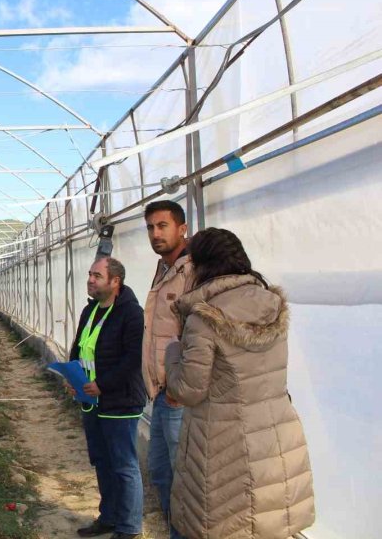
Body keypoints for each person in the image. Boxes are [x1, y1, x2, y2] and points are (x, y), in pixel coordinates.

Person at [165, 228, 315, 539]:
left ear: (200, 266)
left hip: (224, 445)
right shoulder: (273, 305)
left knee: (223, 527)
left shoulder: (203, 318)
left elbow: (188, 390)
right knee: (267, 524)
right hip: (277, 437)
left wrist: (173, 353)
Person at [71, 257, 146, 539]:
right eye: (90, 274)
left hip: (120, 401)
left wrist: (103, 384)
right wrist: (72, 376)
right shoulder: (90, 311)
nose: (90, 279)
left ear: (115, 281)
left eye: (97, 276)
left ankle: (129, 528)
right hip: (91, 399)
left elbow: (132, 359)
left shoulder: (131, 313)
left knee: (124, 464)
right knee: (101, 460)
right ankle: (110, 517)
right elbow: (79, 348)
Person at [141, 200, 193, 539]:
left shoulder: (194, 271)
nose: (155, 233)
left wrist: (179, 389)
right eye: (150, 227)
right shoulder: (163, 269)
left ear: (182, 228)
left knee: (182, 478)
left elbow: (198, 335)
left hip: (179, 396)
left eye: (163, 226)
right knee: (160, 471)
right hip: (161, 393)